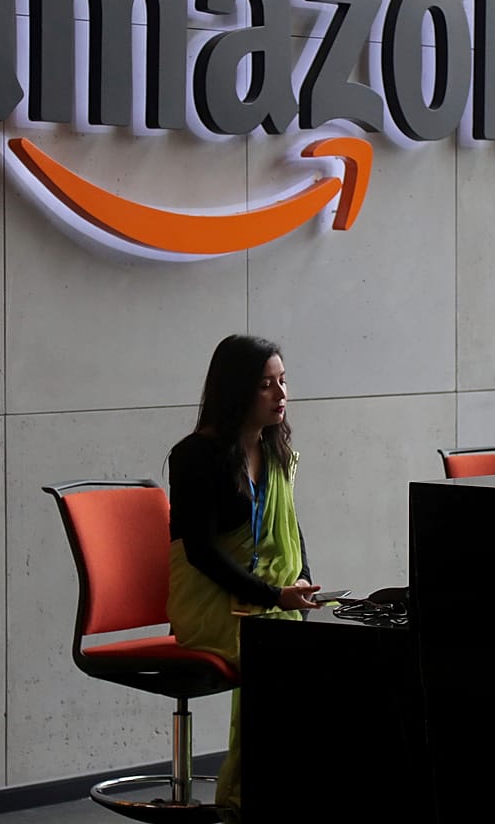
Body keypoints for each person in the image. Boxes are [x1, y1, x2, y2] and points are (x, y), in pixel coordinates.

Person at [166, 333, 322, 821]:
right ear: (237, 390)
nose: (281, 395)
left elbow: (289, 533)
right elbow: (202, 555)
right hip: (211, 604)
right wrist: (274, 594)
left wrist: (304, 589)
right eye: (265, 385)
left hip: (269, 600)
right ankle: (246, 801)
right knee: (283, 654)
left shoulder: (275, 449)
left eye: (283, 381)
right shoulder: (196, 455)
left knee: (345, 642)